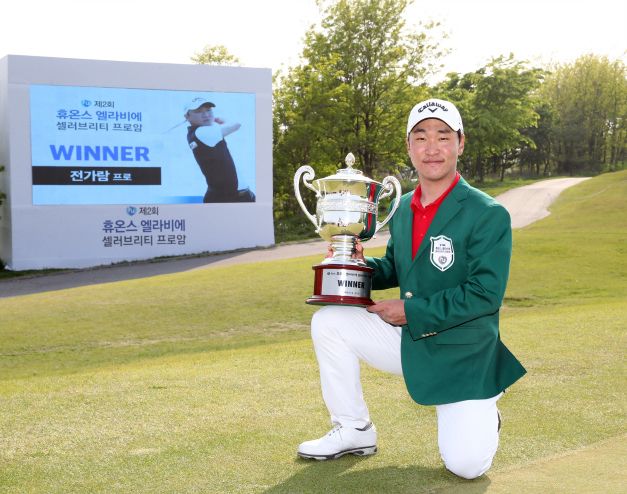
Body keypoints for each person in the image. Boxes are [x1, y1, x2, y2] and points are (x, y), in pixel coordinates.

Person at [297, 98, 526, 480]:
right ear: (409, 147)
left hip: (462, 355)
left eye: (443, 136)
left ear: (460, 144)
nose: (432, 147)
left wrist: (411, 312)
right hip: (411, 341)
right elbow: (394, 267)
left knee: (466, 466)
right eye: (421, 137)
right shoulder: (403, 207)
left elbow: (485, 294)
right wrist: (351, 261)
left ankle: (486, 406)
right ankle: (354, 430)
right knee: (330, 320)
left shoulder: (488, 213)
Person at [184, 97, 255, 203]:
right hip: (227, 198)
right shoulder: (201, 133)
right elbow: (236, 125)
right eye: (198, 111)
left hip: (240, 196)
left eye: (208, 110)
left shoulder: (199, 133)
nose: (206, 115)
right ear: (187, 117)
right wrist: (218, 119)